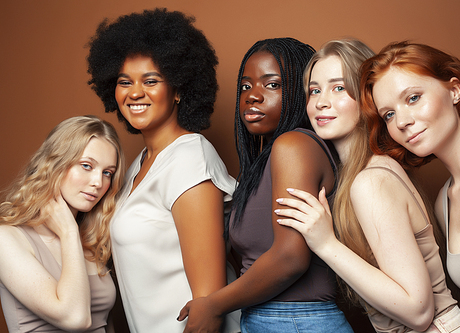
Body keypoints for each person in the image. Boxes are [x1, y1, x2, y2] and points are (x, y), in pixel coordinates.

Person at [274, 39, 460, 332]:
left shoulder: (372, 180)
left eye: (339, 87)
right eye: (314, 90)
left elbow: (418, 312)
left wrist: (325, 243)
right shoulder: (366, 174)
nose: (321, 101)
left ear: (368, 98)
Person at [178, 37, 353, 333]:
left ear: (300, 92)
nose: (253, 97)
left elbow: (290, 257)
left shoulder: (294, 145)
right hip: (268, 320)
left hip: (298, 321)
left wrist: (213, 305)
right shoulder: (264, 161)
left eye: (272, 85)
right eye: (245, 86)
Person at [87, 8, 240, 333]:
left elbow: (208, 304)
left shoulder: (189, 157)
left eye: (151, 80)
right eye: (124, 82)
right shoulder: (140, 165)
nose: (135, 93)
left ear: (180, 88)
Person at [360, 41, 460, 332]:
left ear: (454, 90)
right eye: (389, 114)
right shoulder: (443, 202)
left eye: (412, 98)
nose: (402, 122)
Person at [0, 115, 125, 332]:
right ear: (55, 164)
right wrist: (68, 232)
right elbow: (76, 319)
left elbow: (104, 323)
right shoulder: (7, 238)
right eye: (86, 166)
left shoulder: (92, 239)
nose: (98, 182)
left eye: (107, 173)